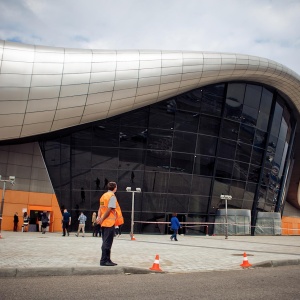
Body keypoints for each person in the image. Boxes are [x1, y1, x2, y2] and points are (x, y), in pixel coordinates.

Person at [97, 181, 124, 266]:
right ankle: (104, 260)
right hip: (109, 223)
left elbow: (100, 208)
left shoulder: (103, 196)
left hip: (104, 223)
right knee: (107, 243)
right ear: (115, 188)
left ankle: (107, 259)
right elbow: (109, 209)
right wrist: (102, 218)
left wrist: (99, 217)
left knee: (105, 242)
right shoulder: (112, 196)